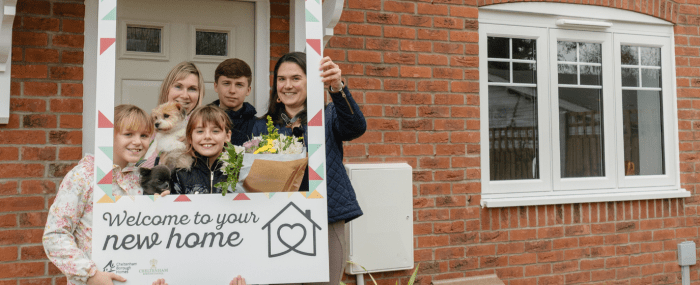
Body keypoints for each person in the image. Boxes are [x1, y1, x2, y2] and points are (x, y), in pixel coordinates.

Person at [252, 52, 366, 285]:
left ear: (310, 81)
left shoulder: (329, 115)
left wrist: (337, 87)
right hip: (277, 219)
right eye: (281, 79)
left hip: (326, 216)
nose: (287, 85)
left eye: (296, 78)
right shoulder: (262, 125)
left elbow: (355, 127)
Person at [43, 105, 156, 285]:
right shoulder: (83, 176)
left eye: (144, 135)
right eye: (128, 134)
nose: (138, 142)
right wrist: (90, 274)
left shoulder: (142, 178)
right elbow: (55, 235)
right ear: (109, 135)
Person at [140, 61, 206, 168]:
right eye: (178, 87)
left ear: (199, 94)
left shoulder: (205, 126)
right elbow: (137, 166)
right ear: (167, 89)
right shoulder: (149, 125)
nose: (184, 95)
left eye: (192, 89)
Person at [171, 105, 233, 194]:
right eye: (200, 131)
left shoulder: (239, 171)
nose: (207, 136)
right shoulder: (179, 173)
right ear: (189, 138)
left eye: (215, 131)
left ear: (227, 136)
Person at [209, 58, 258, 145]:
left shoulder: (258, 125)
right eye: (226, 83)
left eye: (239, 85)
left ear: (248, 90)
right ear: (216, 86)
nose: (232, 91)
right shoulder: (202, 120)